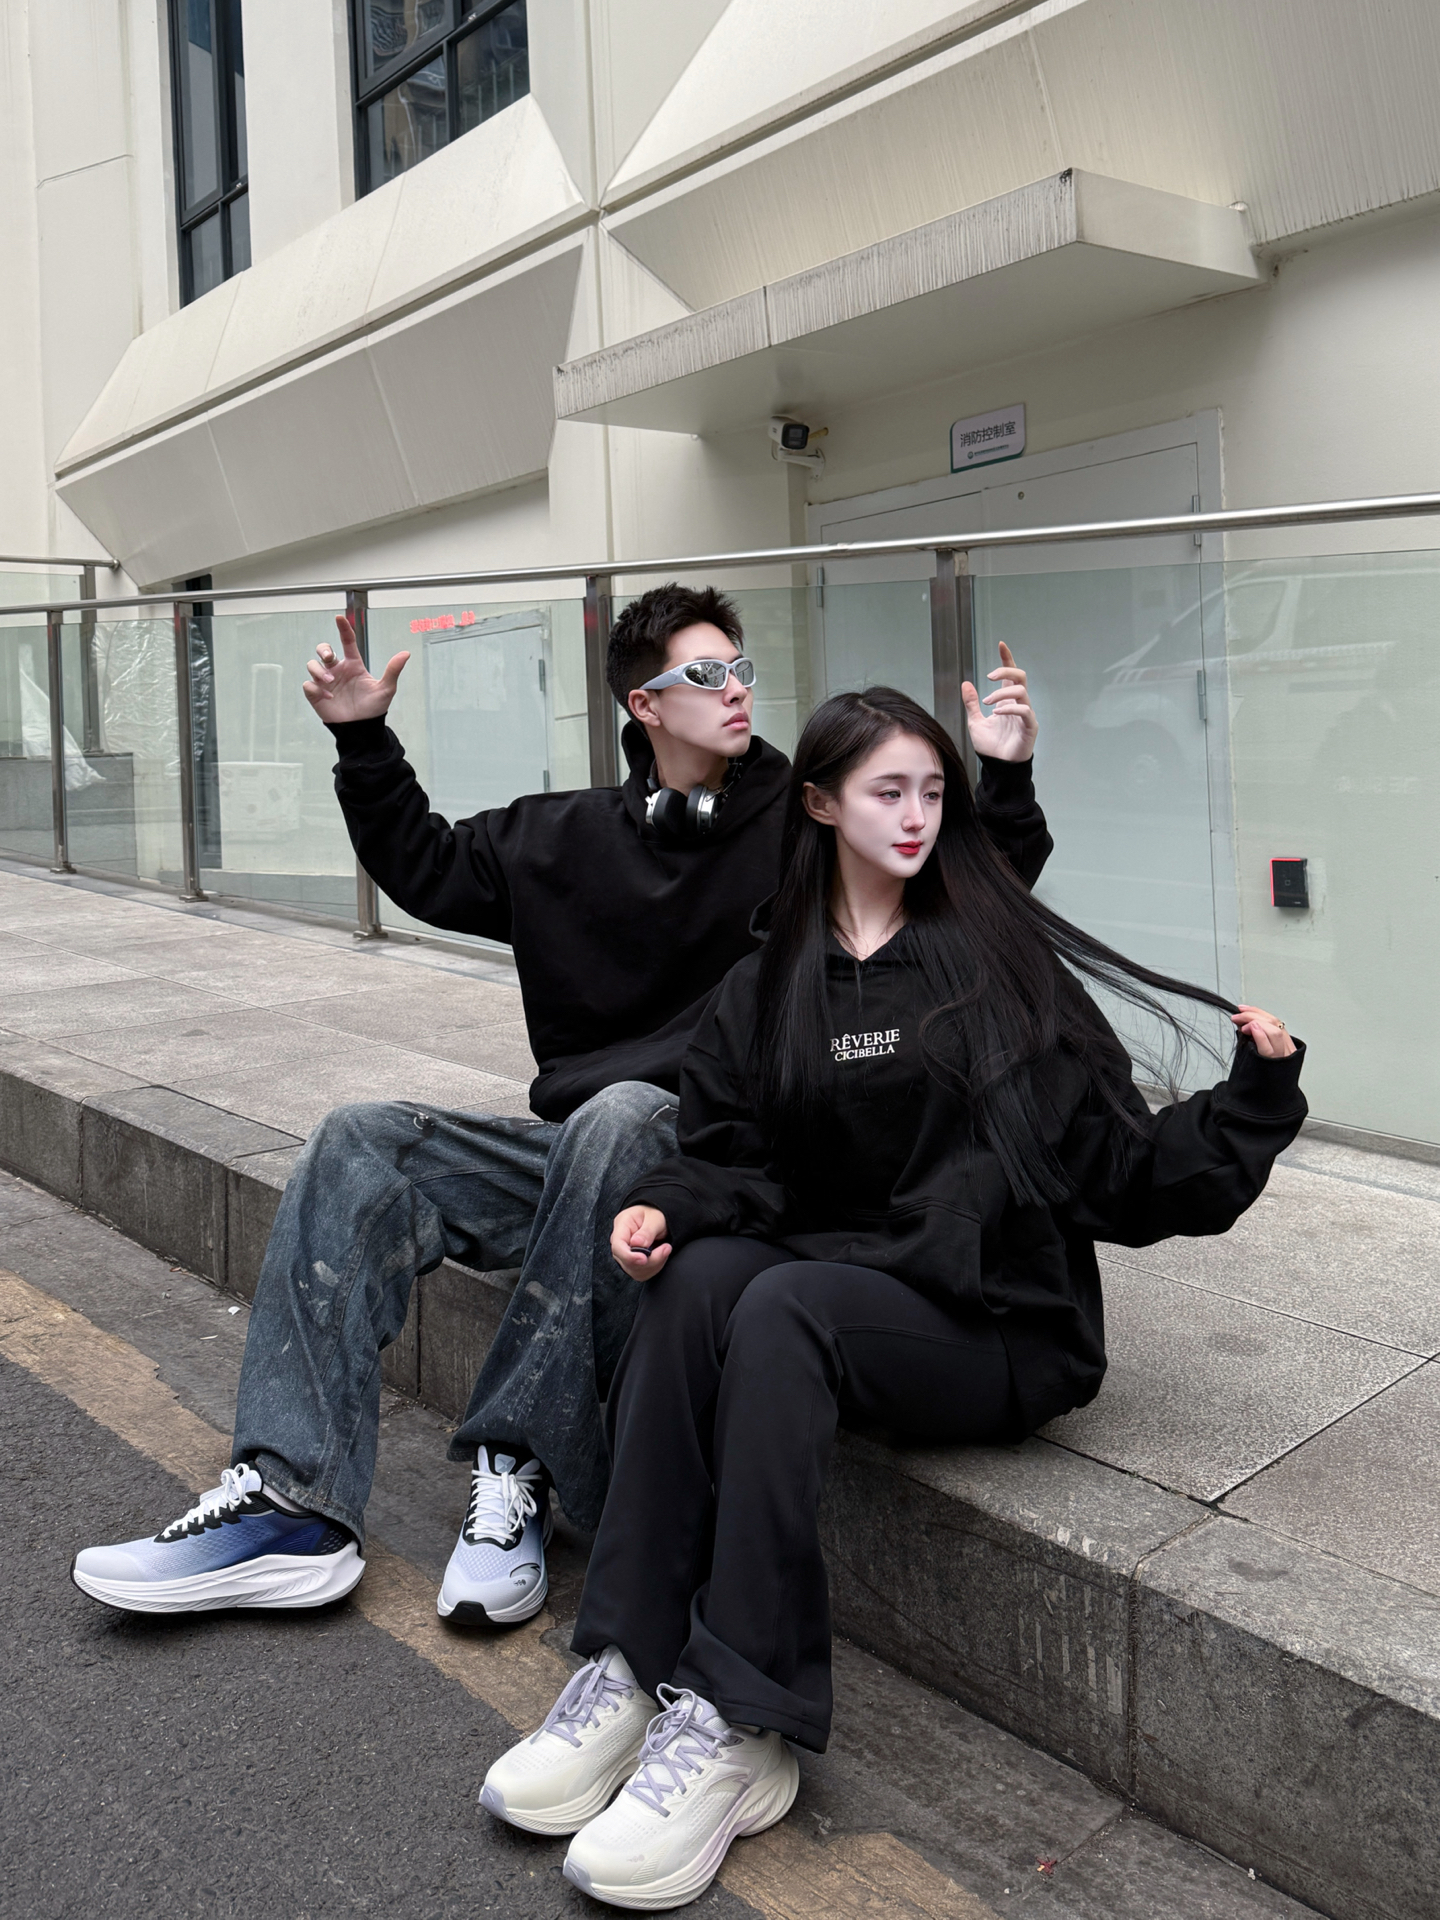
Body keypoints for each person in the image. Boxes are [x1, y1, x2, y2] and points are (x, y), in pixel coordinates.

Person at [480, 685, 1305, 1912]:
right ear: (821, 805)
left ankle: (744, 1724)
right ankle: (630, 1662)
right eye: (888, 791)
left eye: (932, 791)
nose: (917, 815)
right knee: (696, 1282)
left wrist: (1250, 1103)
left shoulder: (995, 963)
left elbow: (1118, 1167)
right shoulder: (772, 982)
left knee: (779, 1308)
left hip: (994, 1325)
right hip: (844, 1289)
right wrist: (666, 1205)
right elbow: (729, 1155)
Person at [71, 591, 1051, 1622]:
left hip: (735, 1170)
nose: (736, 691)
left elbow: (961, 878)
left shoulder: (805, 825)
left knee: (624, 1110)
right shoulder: (560, 836)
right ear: (645, 704)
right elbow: (426, 866)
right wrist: (362, 738)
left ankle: (519, 1470)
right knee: (363, 1139)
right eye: (705, 675)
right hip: (589, 1156)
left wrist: (1007, 774)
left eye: (743, 669)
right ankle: (290, 1508)